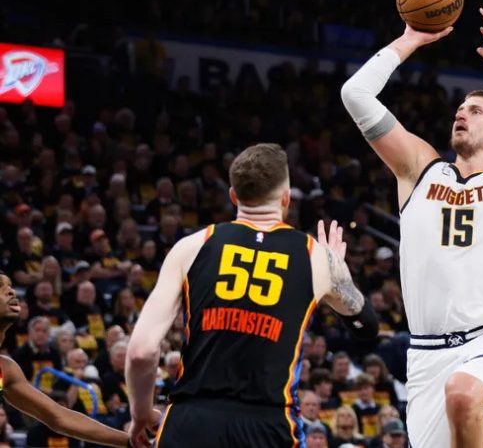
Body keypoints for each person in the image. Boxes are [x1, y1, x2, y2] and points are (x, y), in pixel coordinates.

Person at [341, 8, 483, 447]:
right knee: (455, 398)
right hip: (427, 353)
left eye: (475, 111)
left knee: (463, 393)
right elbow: (356, 94)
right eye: (459, 110)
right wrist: (410, 39)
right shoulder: (419, 169)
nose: (461, 114)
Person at [125, 143, 378, 447]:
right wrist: (337, 272)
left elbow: (141, 352)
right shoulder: (318, 258)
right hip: (268, 425)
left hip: (192, 421)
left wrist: (140, 413)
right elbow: (367, 327)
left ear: (233, 196)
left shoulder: (191, 246)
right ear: (286, 198)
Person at [0, 273, 128, 447]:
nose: (11, 291)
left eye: (10, 285)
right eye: (0, 286)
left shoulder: (6, 368)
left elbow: (59, 417)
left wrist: (131, 442)